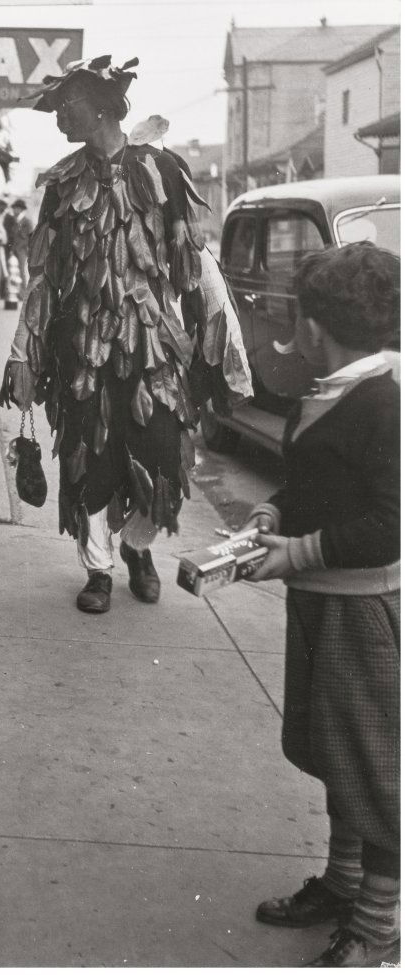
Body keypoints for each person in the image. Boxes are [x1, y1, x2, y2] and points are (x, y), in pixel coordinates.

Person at [0, 54, 252, 614]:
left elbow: (195, 261)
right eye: (58, 108)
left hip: (154, 350)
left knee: (161, 453)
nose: (61, 116)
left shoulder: (161, 170)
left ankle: (138, 548)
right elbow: (42, 278)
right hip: (81, 352)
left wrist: (221, 333)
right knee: (89, 457)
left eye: (69, 105)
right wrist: (24, 351)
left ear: (103, 107)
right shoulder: (63, 184)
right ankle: (97, 568)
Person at [244, 242, 400, 968]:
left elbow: (388, 525)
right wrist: (275, 514)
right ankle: (342, 883)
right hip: (320, 601)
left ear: (313, 326)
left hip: (361, 614)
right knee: (334, 752)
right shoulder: (332, 388)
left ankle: (376, 925)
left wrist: (297, 553)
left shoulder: (386, 401)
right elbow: (311, 486)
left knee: (373, 770)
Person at [8, 198, 35, 291]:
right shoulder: (15, 221)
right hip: (15, 250)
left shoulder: (27, 221)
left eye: (16, 208)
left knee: (23, 270)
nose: (14, 210)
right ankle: (17, 291)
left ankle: (24, 292)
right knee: (14, 270)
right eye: (14, 208)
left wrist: (29, 250)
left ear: (21, 209)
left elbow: (32, 236)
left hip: (23, 250)